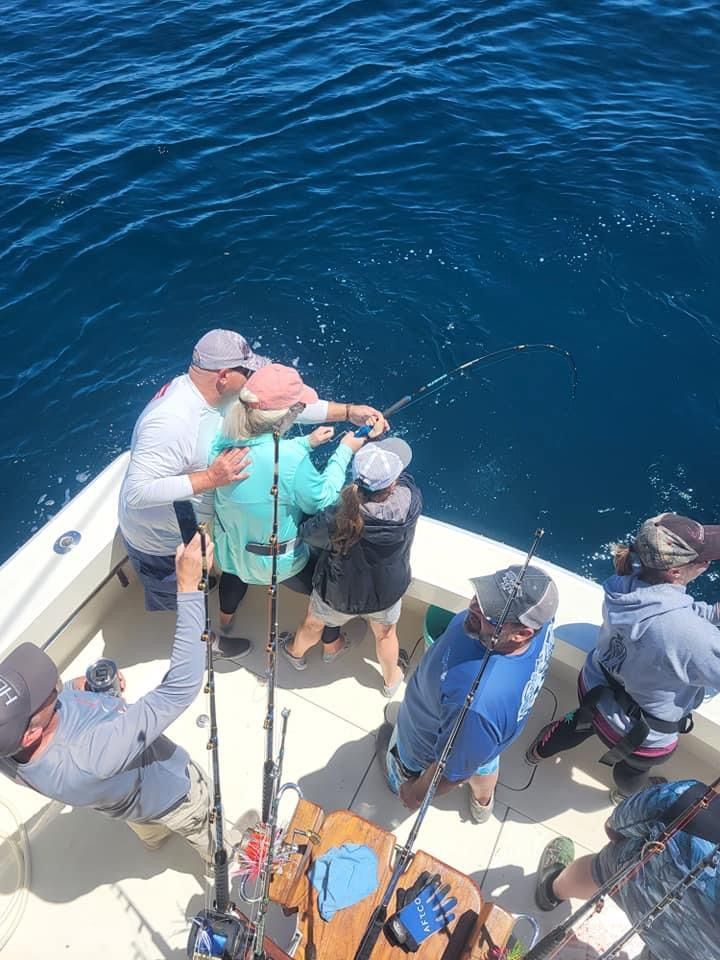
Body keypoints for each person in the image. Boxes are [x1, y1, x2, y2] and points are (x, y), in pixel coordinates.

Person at [118, 328, 382, 645]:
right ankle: (212, 644)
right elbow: (136, 493)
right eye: (247, 372)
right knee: (188, 604)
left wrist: (348, 411)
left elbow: (280, 407)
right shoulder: (172, 419)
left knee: (214, 581)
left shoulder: (223, 399)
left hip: (212, 535)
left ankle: (216, 616)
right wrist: (211, 478)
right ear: (224, 375)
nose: (252, 378)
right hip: (162, 543)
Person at [0, 536, 228, 865]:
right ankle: (216, 862)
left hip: (124, 803)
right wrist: (188, 586)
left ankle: (154, 839)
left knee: (144, 824)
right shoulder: (90, 757)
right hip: (175, 797)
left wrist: (81, 688)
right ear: (30, 734)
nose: (54, 682)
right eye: (47, 691)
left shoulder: (9, 748)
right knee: (207, 833)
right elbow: (180, 686)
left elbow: (55, 703)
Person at [525, 513, 720, 803]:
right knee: (632, 772)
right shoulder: (693, 637)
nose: (707, 563)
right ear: (675, 573)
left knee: (577, 723)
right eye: (702, 560)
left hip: (592, 690)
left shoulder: (623, 582)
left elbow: (671, 617)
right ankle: (622, 795)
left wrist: (712, 614)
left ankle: (537, 751)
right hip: (641, 736)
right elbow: (682, 633)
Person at [211, 363, 382, 643]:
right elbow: (323, 500)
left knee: (234, 576)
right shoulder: (290, 459)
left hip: (233, 555)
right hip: (280, 564)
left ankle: (225, 623)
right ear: (286, 416)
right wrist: (344, 451)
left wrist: (306, 442)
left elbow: (262, 457)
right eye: (298, 408)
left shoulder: (221, 439)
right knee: (324, 586)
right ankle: (331, 639)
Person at [376, 565, 559, 823]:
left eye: (491, 613)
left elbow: (451, 773)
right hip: (481, 742)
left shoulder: (477, 708)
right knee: (483, 762)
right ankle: (482, 804)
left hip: (423, 745)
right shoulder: (542, 621)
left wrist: (416, 793)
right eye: (482, 596)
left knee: (459, 766)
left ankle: (401, 776)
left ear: (521, 633)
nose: (475, 607)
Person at [281, 437, 422, 697]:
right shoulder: (411, 500)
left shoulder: (339, 515)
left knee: (313, 624)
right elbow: (405, 480)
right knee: (386, 635)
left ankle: (294, 653)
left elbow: (309, 534)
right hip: (386, 592)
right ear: (393, 483)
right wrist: (380, 449)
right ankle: (392, 682)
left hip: (337, 595)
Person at [534, 778, 720, 960]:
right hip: (678, 951)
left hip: (632, 883)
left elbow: (613, 827)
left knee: (604, 866)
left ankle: (551, 891)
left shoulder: (688, 796)